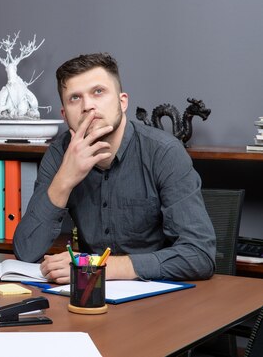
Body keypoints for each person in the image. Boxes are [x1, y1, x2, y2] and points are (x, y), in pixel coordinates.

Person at [13, 53, 216, 284]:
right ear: (64, 114)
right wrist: (64, 181)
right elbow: (26, 253)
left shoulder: (164, 152)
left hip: (159, 299)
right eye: (74, 98)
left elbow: (199, 255)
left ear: (122, 101)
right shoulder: (60, 154)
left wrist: (99, 265)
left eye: (98, 92)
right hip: (89, 297)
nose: (88, 105)